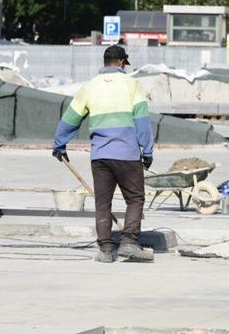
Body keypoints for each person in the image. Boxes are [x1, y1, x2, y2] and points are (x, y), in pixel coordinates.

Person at [52, 45, 154, 263]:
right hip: (127, 154)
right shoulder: (132, 85)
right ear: (119, 63)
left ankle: (106, 250)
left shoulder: (89, 87)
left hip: (100, 156)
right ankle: (129, 243)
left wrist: (59, 144)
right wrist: (147, 150)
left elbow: (71, 118)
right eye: (124, 64)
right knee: (135, 199)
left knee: (102, 202)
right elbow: (142, 121)